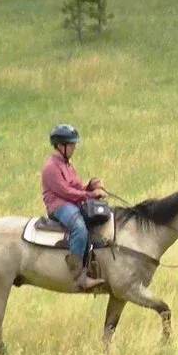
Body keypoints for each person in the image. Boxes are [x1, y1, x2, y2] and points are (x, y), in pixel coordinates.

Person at [41, 124, 108, 292]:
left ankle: (91, 264)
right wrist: (92, 195)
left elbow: (77, 188)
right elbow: (65, 192)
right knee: (79, 229)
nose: (74, 148)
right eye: (71, 145)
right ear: (60, 146)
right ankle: (78, 276)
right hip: (59, 206)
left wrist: (90, 186)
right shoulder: (51, 167)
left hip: (71, 202)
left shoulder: (67, 164)